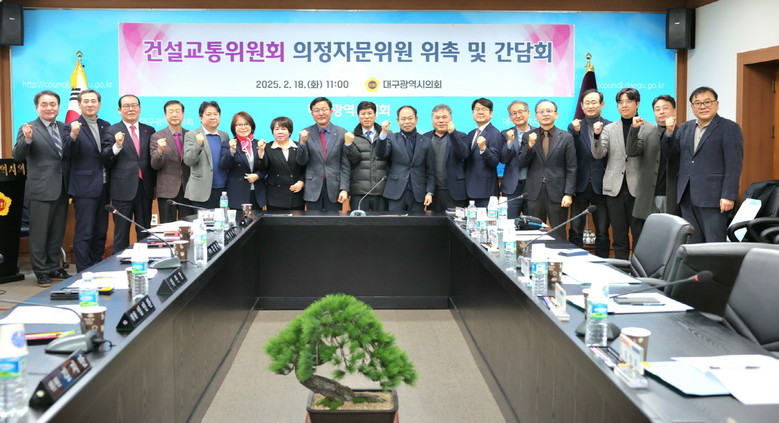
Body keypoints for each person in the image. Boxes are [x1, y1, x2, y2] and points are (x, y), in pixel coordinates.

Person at [663, 86, 743, 243]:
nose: (702, 106)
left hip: (714, 198)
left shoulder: (729, 128)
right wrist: (669, 133)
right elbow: (670, 154)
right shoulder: (685, 127)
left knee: (714, 243)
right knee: (693, 243)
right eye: (697, 103)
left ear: (717, 104)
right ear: (692, 107)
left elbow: (734, 165)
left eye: (707, 102)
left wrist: (728, 195)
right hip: (687, 195)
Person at [12, 90, 71, 286]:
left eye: (53, 104)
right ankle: (41, 271)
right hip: (40, 189)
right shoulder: (29, 128)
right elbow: (18, 156)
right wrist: (27, 139)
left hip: (62, 188)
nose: (49, 108)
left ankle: (54, 267)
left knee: (56, 232)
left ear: (58, 107)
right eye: (44, 104)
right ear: (37, 107)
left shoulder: (64, 128)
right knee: (39, 234)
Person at [592, 88, 655, 259]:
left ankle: (638, 270)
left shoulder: (650, 128)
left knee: (639, 234)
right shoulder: (609, 128)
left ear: (637, 104)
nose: (624, 105)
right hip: (614, 189)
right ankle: (621, 270)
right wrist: (596, 136)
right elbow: (598, 154)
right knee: (619, 236)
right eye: (620, 102)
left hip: (639, 190)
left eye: (628, 101)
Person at [101, 94, 156, 254]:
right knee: (121, 233)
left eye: (134, 105)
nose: (131, 109)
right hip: (122, 189)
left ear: (140, 108)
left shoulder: (149, 130)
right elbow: (105, 157)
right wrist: (117, 146)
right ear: (119, 110)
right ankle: (119, 265)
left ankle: (146, 261)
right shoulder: (111, 130)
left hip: (144, 188)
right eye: (126, 106)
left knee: (144, 231)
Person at [63, 89, 111, 271]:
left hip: (104, 186)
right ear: (79, 104)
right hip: (84, 188)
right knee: (85, 232)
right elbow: (67, 154)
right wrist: (73, 136)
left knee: (100, 231)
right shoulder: (70, 126)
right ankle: (83, 270)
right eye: (86, 101)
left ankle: (97, 266)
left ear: (99, 104)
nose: (90, 104)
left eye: (93, 101)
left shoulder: (106, 125)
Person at [518, 99, 576, 230]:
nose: (545, 114)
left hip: (558, 192)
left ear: (556, 115)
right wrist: (530, 146)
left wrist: (568, 193)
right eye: (541, 111)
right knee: (534, 232)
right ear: (536, 116)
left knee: (558, 232)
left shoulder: (566, 137)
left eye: (549, 111)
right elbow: (521, 163)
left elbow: (571, 167)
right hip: (534, 192)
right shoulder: (528, 136)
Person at [567, 90, 611, 258]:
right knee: (575, 230)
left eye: (594, 102)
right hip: (579, 185)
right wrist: (576, 132)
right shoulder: (574, 126)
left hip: (602, 185)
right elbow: (570, 154)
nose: (591, 106)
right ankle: (574, 263)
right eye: (587, 102)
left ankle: (603, 264)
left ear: (602, 104)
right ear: (581, 105)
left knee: (602, 232)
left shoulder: (610, 126)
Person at [626, 95, 681, 225]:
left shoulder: (683, 133)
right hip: (649, 196)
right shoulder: (648, 134)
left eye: (665, 108)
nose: (661, 112)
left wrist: (670, 131)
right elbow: (631, 151)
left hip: (673, 196)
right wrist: (634, 129)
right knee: (651, 233)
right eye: (657, 109)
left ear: (674, 111)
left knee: (671, 232)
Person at [376, 105, 435, 212]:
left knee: (417, 222)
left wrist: (429, 192)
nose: (407, 122)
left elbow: (431, 170)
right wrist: (383, 133)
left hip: (418, 193)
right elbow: (381, 153)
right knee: (395, 222)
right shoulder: (391, 138)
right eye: (403, 119)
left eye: (410, 118)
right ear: (398, 121)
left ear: (416, 119)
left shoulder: (426, 141)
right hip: (395, 191)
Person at [297, 97, 350, 212]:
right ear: (312, 114)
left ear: (331, 111)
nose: (321, 113)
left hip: (334, 188)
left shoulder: (342, 133)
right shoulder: (305, 133)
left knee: (334, 222)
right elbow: (301, 162)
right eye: (316, 110)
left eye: (324, 109)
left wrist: (344, 189)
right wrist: (302, 143)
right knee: (313, 222)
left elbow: (345, 164)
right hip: (312, 187)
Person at [182, 101, 230, 209]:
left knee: (222, 219)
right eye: (208, 114)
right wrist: (198, 144)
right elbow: (188, 160)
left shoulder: (224, 135)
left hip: (223, 190)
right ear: (201, 118)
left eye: (215, 114)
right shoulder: (191, 135)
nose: (212, 117)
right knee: (203, 220)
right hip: (201, 191)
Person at [422, 104, 469, 212]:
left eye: (444, 117)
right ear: (432, 119)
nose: (441, 121)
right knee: (433, 222)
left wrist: (453, 133)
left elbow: (463, 154)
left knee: (455, 221)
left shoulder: (460, 136)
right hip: (432, 192)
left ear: (450, 118)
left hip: (454, 192)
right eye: (437, 117)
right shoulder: (424, 137)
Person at [344, 101, 389, 212]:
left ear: (375, 115)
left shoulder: (387, 134)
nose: (366, 117)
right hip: (359, 191)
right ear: (358, 116)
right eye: (363, 114)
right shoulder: (351, 136)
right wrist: (349, 145)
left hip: (381, 190)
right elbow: (352, 161)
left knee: (382, 222)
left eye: (369, 113)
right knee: (358, 222)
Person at [150, 100, 190, 223]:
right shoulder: (157, 136)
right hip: (166, 190)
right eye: (170, 112)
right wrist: (160, 151)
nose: (174, 115)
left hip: (188, 190)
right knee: (167, 228)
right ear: (165, 115)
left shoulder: (190, 135)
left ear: (183, 114)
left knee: (188, 227)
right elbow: (155, 165)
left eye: (178, 111)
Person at [221, 112, 267, 210]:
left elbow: (266, 167)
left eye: (246, 124)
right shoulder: (228, 144)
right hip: (237, 194)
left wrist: (257, 175)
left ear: (251, 126)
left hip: (257, 194)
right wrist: (232, 150)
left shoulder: (258, 144)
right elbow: (224, 165)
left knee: (257, 219)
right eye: (239, 124)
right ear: (234, 128)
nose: (243, 127)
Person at [258, 116, 305, 211]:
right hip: (275, 196)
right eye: (276, 129)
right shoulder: (267, 147)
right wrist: (261, 151)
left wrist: (302, 182)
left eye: (283, 129)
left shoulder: (299, 146)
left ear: (290, 131)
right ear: (272, 132)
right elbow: (262, 167)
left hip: (296, 194)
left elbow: (306, 168)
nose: (280, 132)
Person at [465, 98, 503, 206]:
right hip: (468, 190)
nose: (480, 112)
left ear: (491, 114)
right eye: (477, 109)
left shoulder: (495, 133)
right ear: (473, 113)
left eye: (484, 109)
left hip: (485, 192)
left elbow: (494, 161)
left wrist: (483, 148)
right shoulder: (471, 134)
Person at [501, 100, 535, 218]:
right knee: (509, 223)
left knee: (532, 223)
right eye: (514, 113)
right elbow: (503, 159)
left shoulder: (539, 133)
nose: (518, 115)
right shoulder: (505, 134)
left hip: (534, 186)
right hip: (512, 187)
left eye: (521, 112)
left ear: (528, 113)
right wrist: (510, 142)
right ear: (510, 117)